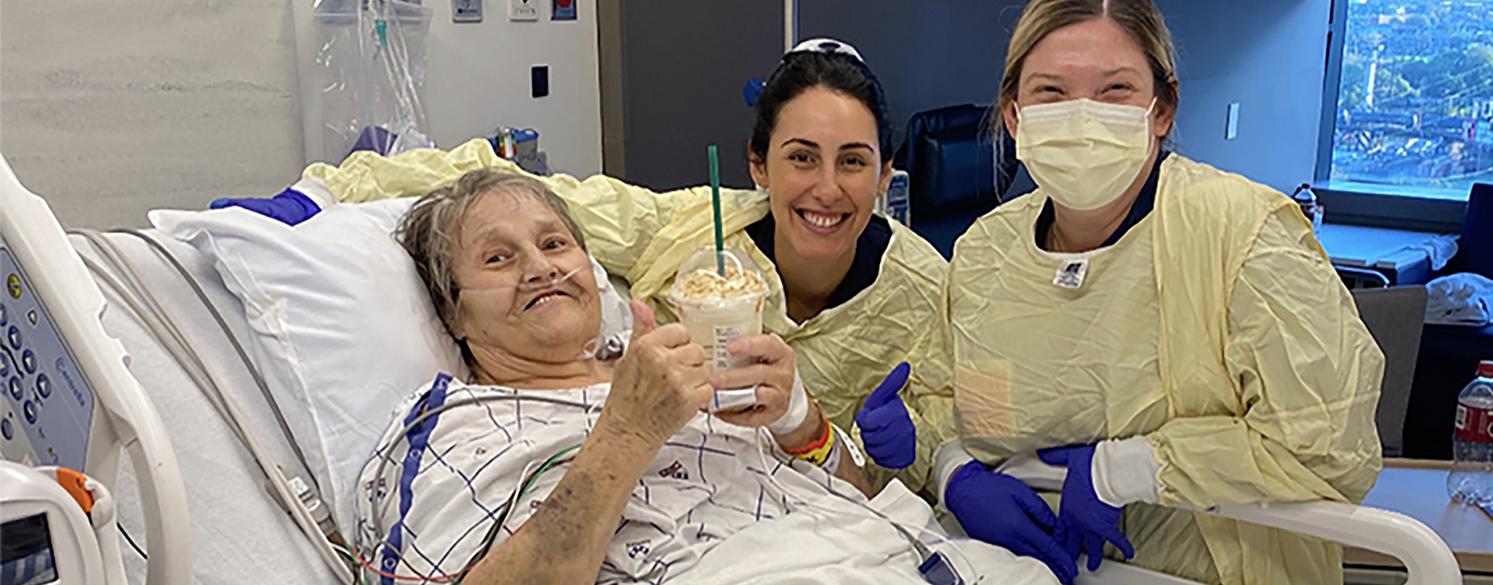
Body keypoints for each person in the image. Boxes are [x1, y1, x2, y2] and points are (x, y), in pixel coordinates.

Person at [304, 39, 954, 498]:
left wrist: (902, 451)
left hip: (806, 505)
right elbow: (501, 181)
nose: (827, 189)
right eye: (802, 157)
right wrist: (324, 190)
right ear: (759, 165)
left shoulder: (926, 291)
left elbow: (927, 464)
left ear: (885, 175)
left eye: (853, 162)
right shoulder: (684, 230)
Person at [352, 169, 1056, 584]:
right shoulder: (450, 428)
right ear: (452, 313)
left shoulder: (681, 366)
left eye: (554, 243)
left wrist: (803, 424)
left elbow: (859, 498)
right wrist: (627, 430)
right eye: (497, 259)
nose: (540, 266)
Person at [932, 1, 1386, 584]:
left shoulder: (1242, 235)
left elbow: (1330, 444)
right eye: (1051, 92)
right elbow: (954, 404)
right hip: (1023, 568)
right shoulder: (985, 255)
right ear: (1014, 114)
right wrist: (954, 469)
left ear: (1161, 109)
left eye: (1114, 89)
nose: (1081, 118)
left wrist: (1125, 471)